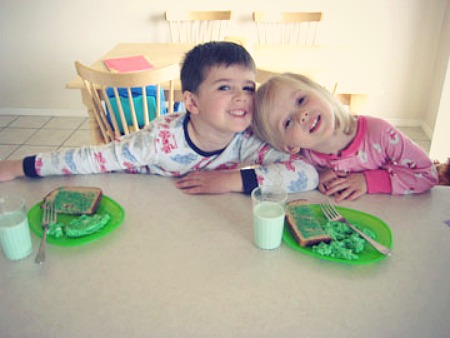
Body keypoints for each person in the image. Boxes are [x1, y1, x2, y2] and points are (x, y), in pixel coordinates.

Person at [0, 42, 318, 194]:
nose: (241, 97)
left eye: (248, 88)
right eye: (225, 87)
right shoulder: (156, 143)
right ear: (191, 102)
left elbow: (305, 173)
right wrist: (17, 167)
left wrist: (230, 180)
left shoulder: (247, 137)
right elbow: (87, 159)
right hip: (141, 187)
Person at [253, 72, 438, 201]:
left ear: (321, 91)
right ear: (290, 146)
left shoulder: (380, 133)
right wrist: (318, 177)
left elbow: (427, 174)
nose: (301, 115)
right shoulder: (304, 160)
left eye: (301, 100)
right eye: (287, 122)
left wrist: (368, 181)